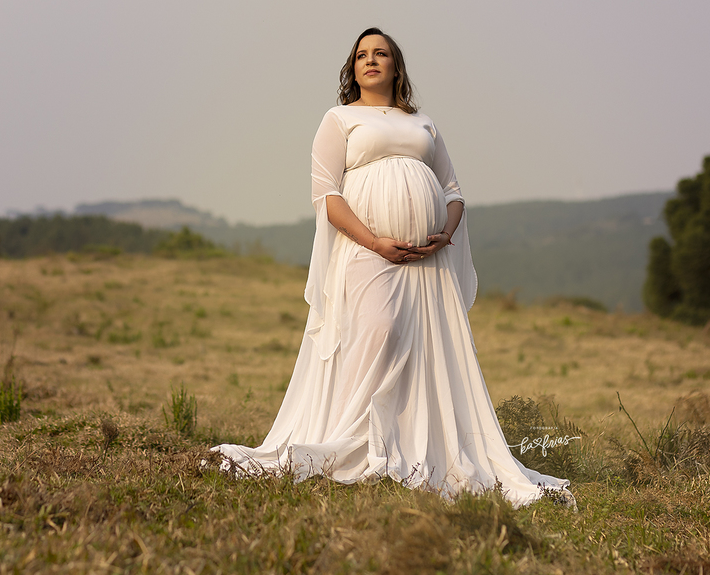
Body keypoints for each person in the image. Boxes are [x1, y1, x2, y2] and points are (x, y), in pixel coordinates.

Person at [211, 28, 575, 509]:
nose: (371, 60)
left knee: (426, 347)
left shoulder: (423, 122)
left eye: (381, 53)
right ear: (352, 68)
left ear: (396, 66)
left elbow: (453, 190)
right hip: (367, 249)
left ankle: (413, 446)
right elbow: (328, 197)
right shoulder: (338, 119)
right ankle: (354, 442)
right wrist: (377, 241)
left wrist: (443, 235)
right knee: (378, 332)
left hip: (428, 261)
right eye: (362, 55)